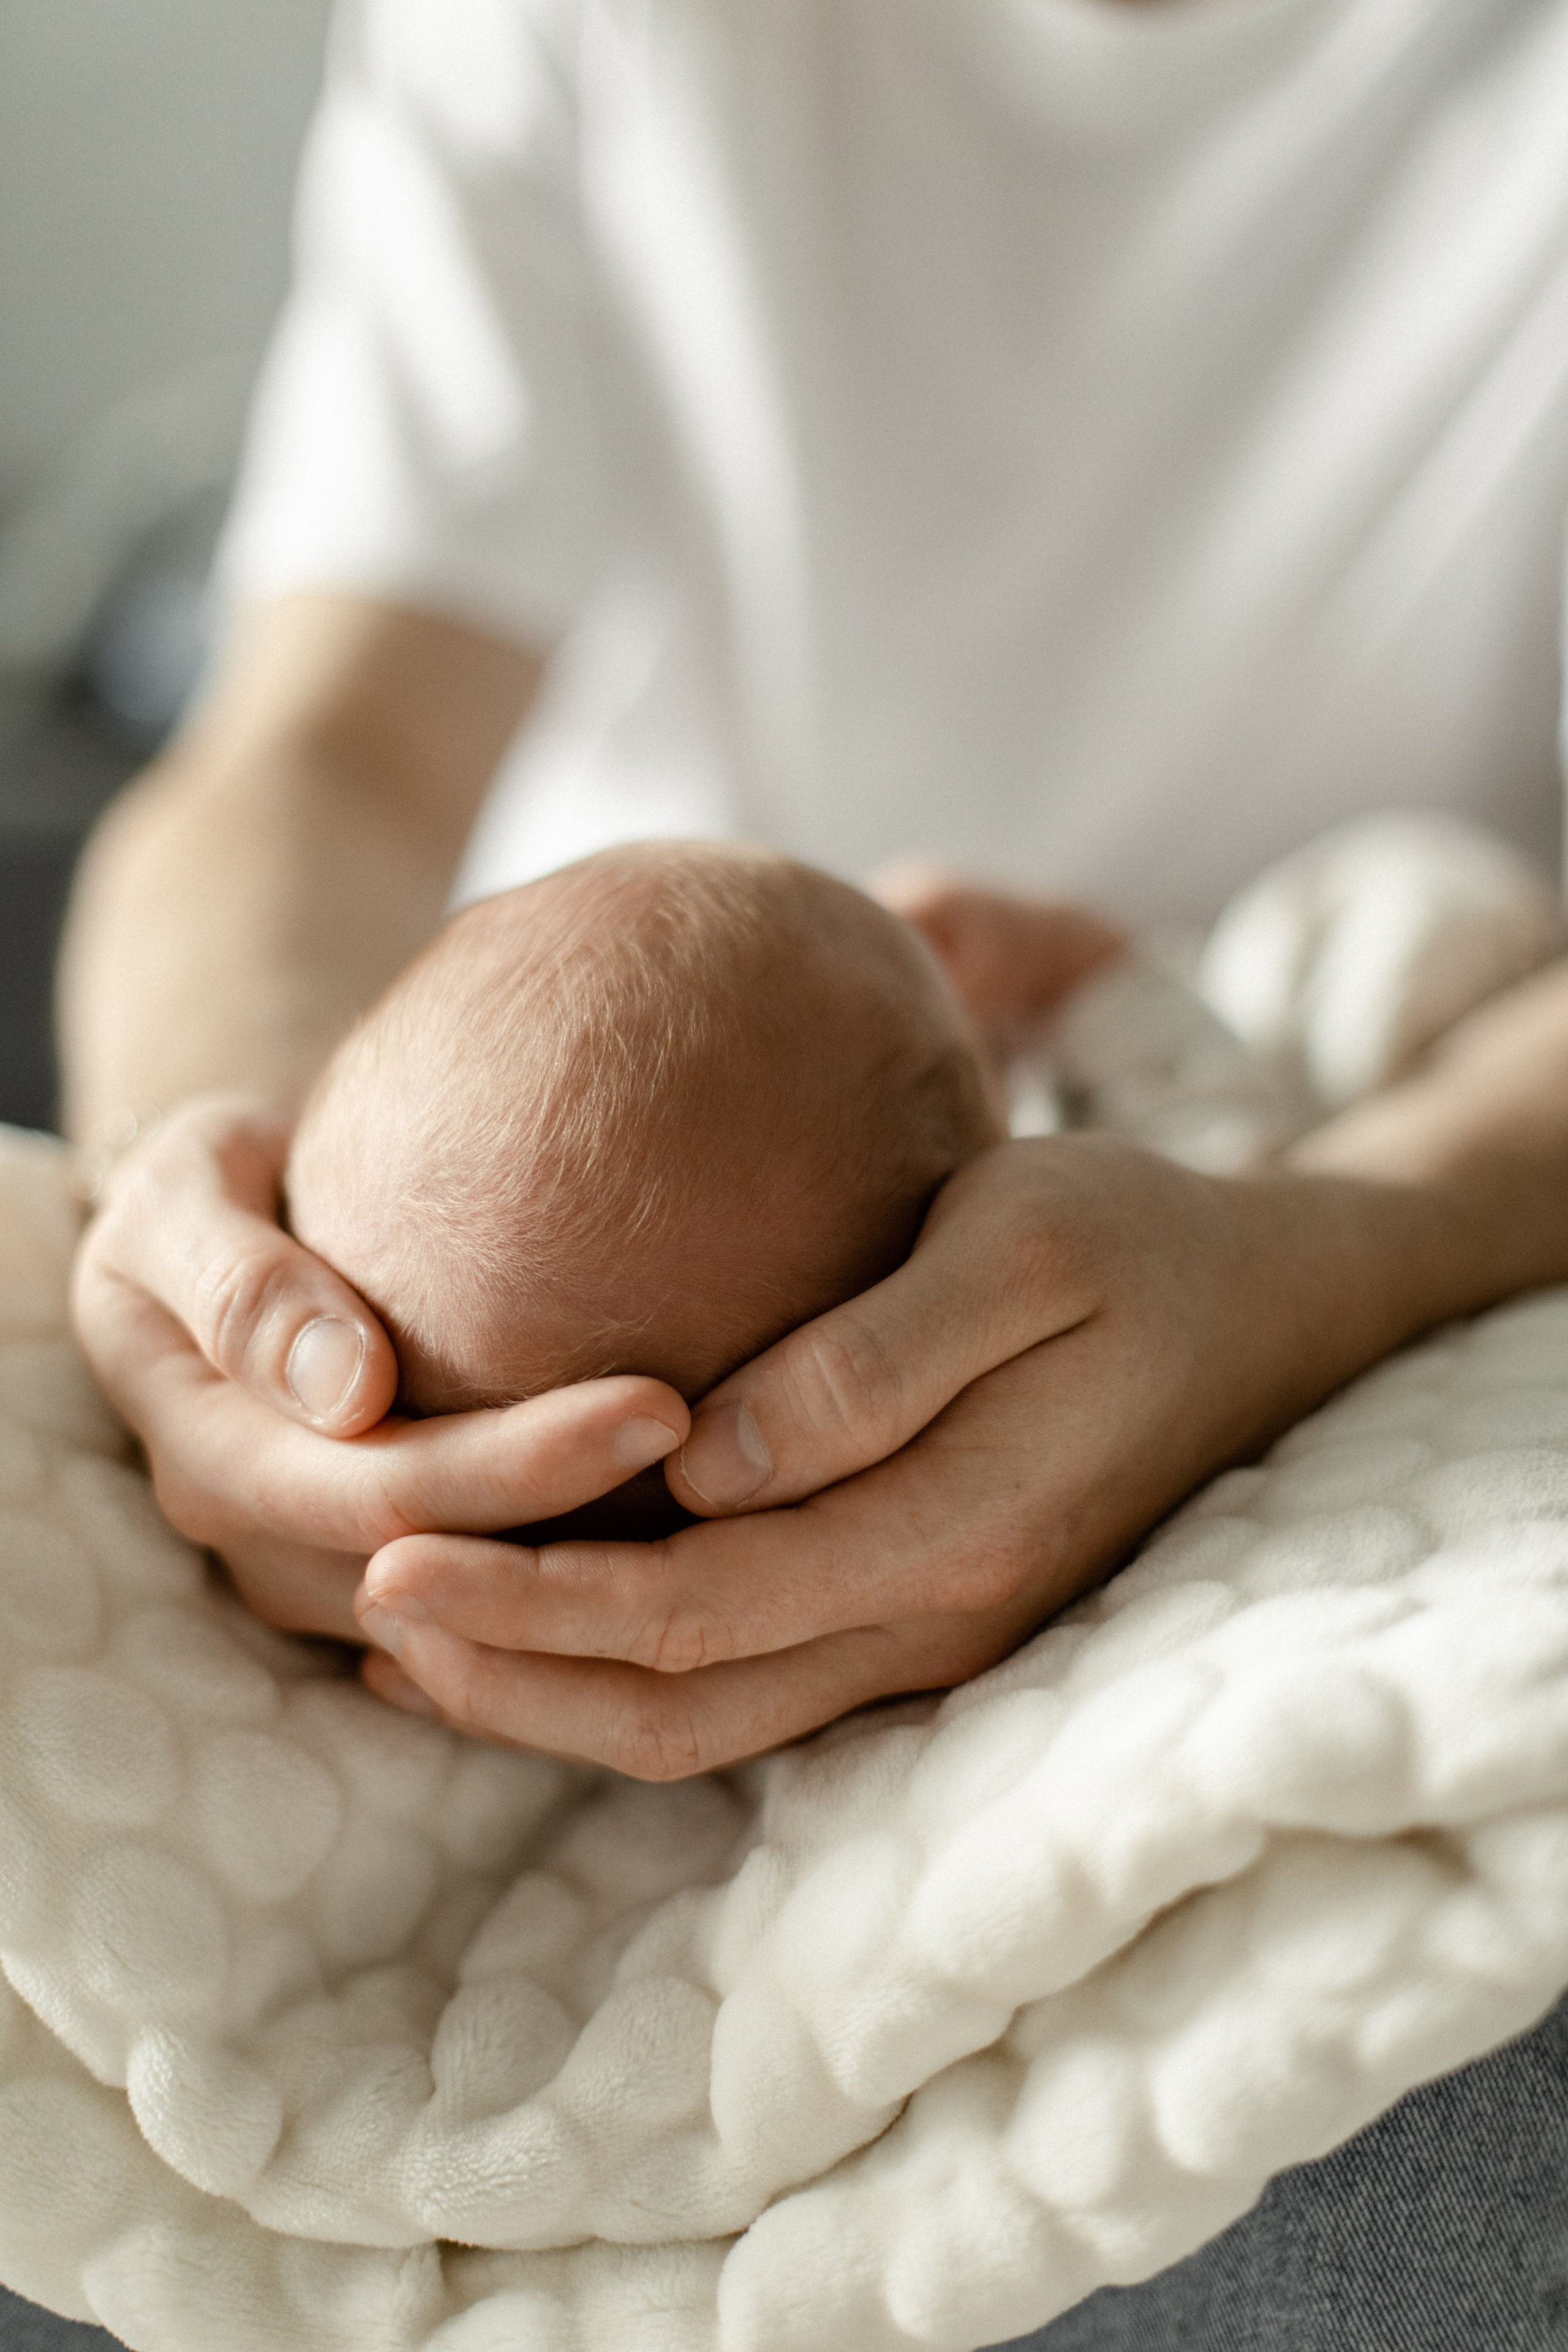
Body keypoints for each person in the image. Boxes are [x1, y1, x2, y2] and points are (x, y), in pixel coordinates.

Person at [51, 0, 1568, 2340]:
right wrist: (243, 1222)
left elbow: (1395, 1005)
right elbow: (318, 752)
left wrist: (1343, 1239)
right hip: (486, 1018)